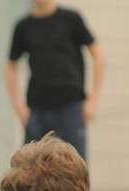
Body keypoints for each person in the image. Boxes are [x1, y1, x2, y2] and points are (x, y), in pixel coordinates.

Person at [6, 0, 105, 160]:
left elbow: (98, 56)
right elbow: (10, 66)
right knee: (31, 171)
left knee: (74, 169)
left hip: (71, 109)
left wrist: (93, 100)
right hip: (37, 111)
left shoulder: (71, 19)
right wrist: (19, 107)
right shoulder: (23, 26)